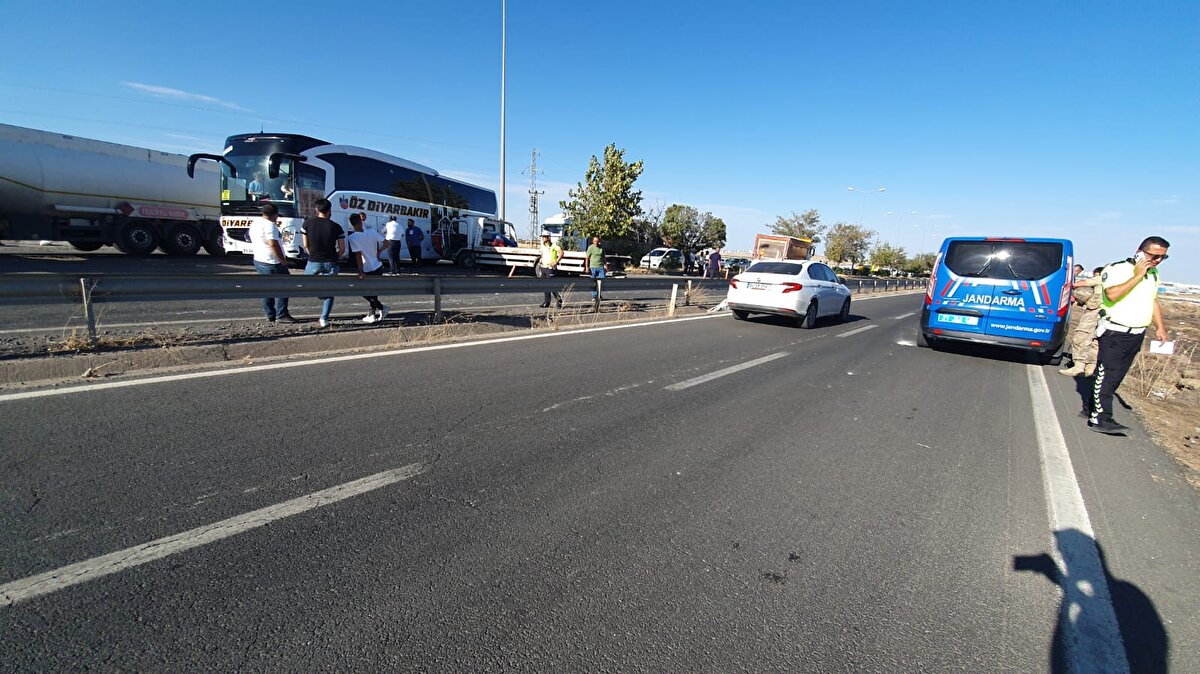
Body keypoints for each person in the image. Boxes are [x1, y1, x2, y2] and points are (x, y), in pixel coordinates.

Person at [1086, 236, 1171, 434]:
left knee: (1116, 376)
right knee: (1106, 374)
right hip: (1115, 331)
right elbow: (1112, 295)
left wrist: (1160, 327)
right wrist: (1137, 276)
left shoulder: (1154, 274)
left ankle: (1091, 408)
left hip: (1137, 333)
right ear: (1140, 251)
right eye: (1154, 256)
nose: (1157, 261)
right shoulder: (1118, 269)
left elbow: (1153, 301)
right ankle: (1100, 418)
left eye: (1163, 257)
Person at [301, 198, 345, 328]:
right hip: (331, 262)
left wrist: (311, 253)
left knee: (306, 284)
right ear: (329, 210)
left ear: (316, 209)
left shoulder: (307, 224)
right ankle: (324, 319)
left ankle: (319, 293)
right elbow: (342, 249)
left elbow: (305, 245)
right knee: (329, 291)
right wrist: (335, 257)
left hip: (314, 261)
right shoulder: (336, 227)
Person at [249, 203, 294, 323]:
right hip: (272, 261)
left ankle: (270, 314)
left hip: (259, 259)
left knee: (267, 287)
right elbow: (273, 244)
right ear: (275, 214)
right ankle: (282, 314)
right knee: (285, 286)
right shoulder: (270, 226)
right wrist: (282, 259)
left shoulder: (255, 223)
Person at [1059, 266, 1103, 377]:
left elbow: (1084, 282)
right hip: (1105, 315)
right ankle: (1090, 368)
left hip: (1094, 311)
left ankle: (1079, 367)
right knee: (1095, 342)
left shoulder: (1105, 278)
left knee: (1081, 337)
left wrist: (1071, 286)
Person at [347, 213, 390, 323]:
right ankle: (379, 309)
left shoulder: (352, 237)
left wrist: (360, 270)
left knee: (363, 290)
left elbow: (358, 256)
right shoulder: (372, 232)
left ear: (351, 224)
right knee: (373, 291)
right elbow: (386, 242)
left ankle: (373, 312)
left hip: (366, 267)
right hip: (377, 265)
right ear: (361, 222)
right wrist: (379, 251)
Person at [537, 233, 563, 308]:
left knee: (551, 285)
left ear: (548, 238)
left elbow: (561, 252)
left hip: (550, 268)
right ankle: (546, 302)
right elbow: (542, 254)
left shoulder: (553, 245)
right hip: (543, 267)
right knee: (545, 285)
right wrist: (540, 261)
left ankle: (558, 299)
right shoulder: (542, 246)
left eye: (545, 237)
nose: (543, 238)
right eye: (543, 237)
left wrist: (556, 262)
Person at [585, 235, 606, 309]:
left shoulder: (601, 248)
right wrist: (587, 267)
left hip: (600, 267)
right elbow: (587, 258)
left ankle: (599, 294)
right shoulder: (590, 247)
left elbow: (603, 257)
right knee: (594, 282)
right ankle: (594, 296)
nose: (596, 242)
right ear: (593, 241)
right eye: (595, 241)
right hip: (593, 267)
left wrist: (606, 265)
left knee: (601, 281)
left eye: (597, 241)